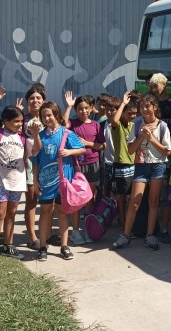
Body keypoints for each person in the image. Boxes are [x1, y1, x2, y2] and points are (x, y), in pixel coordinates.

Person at [0, 85, 41, 265]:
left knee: (11, 214)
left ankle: (8, 245)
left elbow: (36, 150)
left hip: (17, 182)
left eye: (21, 121)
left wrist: (36, 135)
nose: (19, 124)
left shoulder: (24, 137)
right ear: (6, 121)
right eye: (16, 121)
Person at [112, 93, 171, 251]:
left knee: (153, 202)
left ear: (155, 107)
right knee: (134, 202)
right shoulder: (136, 123)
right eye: (142, 107)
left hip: (158, 165)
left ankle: (150, 235)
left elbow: (167, 152)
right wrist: (142, 136)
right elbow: (131, 150)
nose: (144, 110)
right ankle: (125, 235)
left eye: (147, 106)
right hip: (141, 165)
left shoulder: (163, 126)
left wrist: (151, 139)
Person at [33, 101, 86, 261]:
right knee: (45, 213)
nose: (46, 118)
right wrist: (35, 181)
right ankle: (42, 246)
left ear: (56, 114)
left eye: (49, 115)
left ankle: (64, 246)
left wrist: (69, 152)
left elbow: (82, 148)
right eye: (43, 116)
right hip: (45, 182)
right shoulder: (40, 136)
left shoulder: (66, 134)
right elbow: (35, 160)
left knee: (63, 213)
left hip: (63, 182)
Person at [63, 91, 105, 244]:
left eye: (86, 108)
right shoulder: (72, 123)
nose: (83, 111)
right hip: (76, 165)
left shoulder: (96, 125)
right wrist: (68, 107)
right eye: (80, 108)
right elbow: (63, 124)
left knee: (89, 200)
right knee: (76, 200)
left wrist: (87, 143)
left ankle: (87, 229)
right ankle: (75, 231)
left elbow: (102, 146)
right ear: (76, 110)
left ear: (91, 108)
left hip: (93, 165)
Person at [16, 85, 46, 250]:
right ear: (28, 102)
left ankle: (46, 235)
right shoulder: (23, 119)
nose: (35, 101)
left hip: (47, 163)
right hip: (29, 163)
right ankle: (33, 236)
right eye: (32, 98)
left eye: (38, 98)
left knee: (49, 201)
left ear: (44, 101)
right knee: (32, 200)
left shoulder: (48, 117)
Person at [109, 92, 138, 233]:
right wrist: (123, 103)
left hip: (134, 164)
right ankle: (122, 222)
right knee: (120, 196)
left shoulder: (134, 125)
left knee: (130, 197)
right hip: (121, 164)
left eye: (134, 114)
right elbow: (114, 120)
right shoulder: (118, 124)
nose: (132, 116)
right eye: (130, 113)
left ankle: (129, 222)